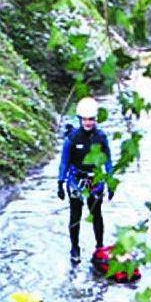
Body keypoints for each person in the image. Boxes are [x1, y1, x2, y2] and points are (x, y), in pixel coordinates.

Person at [58, 96, 114, 264]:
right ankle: (75, 248)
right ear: (80, 119)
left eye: (91, 119)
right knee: (75, 215)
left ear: (96, 119)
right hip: (76, 181)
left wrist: (111, 183)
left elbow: (108, 161)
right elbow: (64, 162)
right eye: (85, 119)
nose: (88, 123)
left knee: (96, 214)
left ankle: (99, 247)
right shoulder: (72, 138)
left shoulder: (101, 137)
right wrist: (60, 183)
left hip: (95, 181)